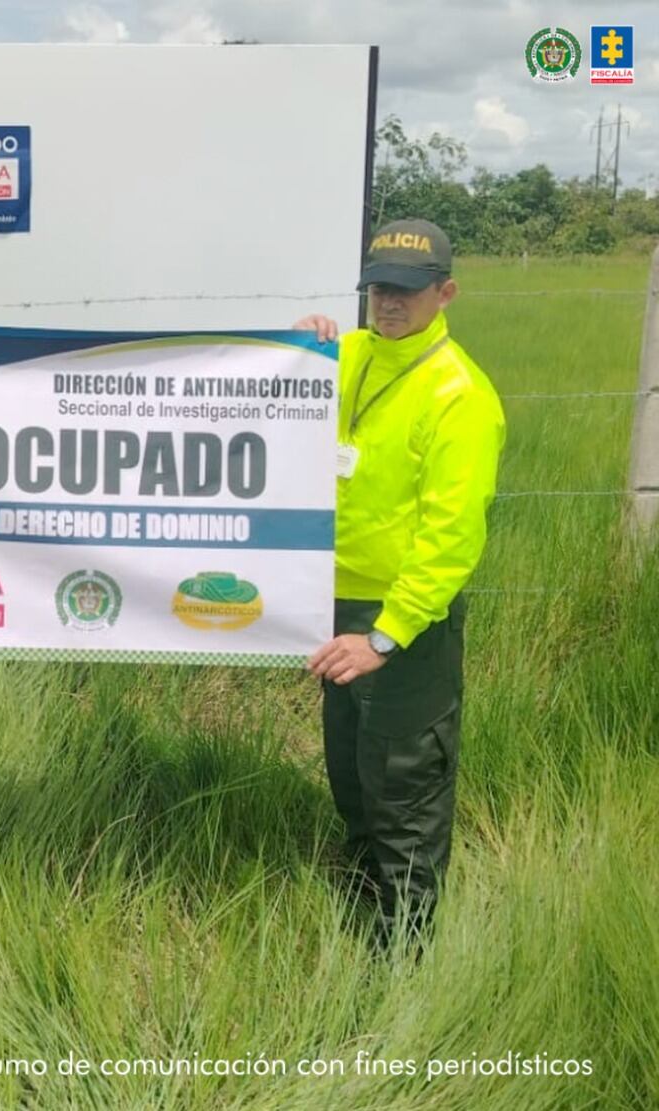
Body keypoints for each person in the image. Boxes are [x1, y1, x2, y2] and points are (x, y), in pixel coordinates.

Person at [294, 218, 505, 947]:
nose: (389, 303)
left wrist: (386, 635)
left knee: (405, 783)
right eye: (379, 287)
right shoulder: (350, 353)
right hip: (335, 605)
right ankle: (357, 907)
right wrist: (299, 345)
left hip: (402, 622)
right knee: (351, 768)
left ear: (445, 293)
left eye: (408, 291)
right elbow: (277, 400)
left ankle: (404, 954)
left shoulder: (459, 395)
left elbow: (452, 538)